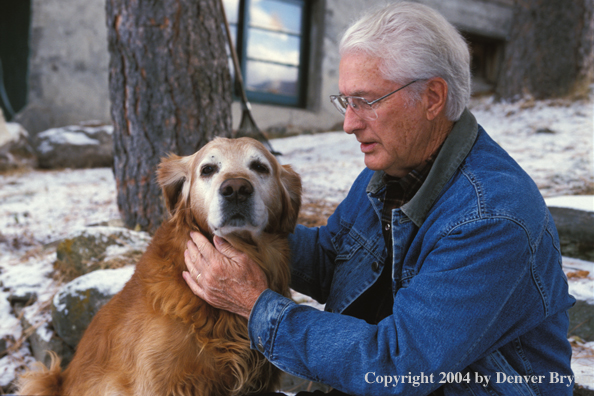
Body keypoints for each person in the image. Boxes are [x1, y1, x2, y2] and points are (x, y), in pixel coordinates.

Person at [182, 2, 576, 395]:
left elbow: (398, 364)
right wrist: (243, 217)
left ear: (433, 98)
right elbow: (332, 259)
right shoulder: (391, 168)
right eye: (345, 101)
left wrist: (256, 306)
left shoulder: (490, 217)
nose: (349, 123)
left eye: (366, 101)